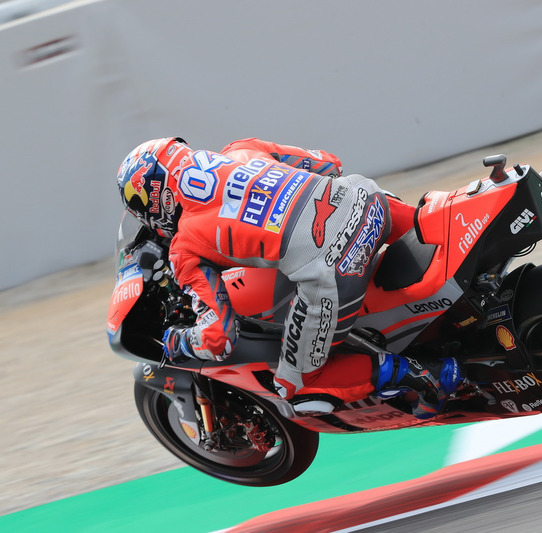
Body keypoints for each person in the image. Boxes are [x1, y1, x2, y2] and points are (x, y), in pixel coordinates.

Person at [116, 137, 465, 418]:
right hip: (368, 201)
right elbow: (330, 162)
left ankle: (426, 375)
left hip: (332, 266)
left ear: (153, 198)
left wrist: (178, 342)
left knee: (295, 384)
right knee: (432, 227)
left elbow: (219, 339)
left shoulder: (185, 245)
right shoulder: (242, 149)